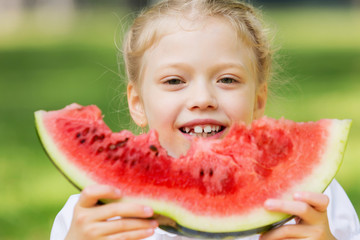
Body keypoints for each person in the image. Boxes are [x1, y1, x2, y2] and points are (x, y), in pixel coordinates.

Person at [50, 0, 360, 239]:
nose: (203, 99)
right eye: (174, 81)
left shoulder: (313, 201)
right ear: (138, 103)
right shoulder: (95, 213)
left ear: (259, 100)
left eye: (227, 80)